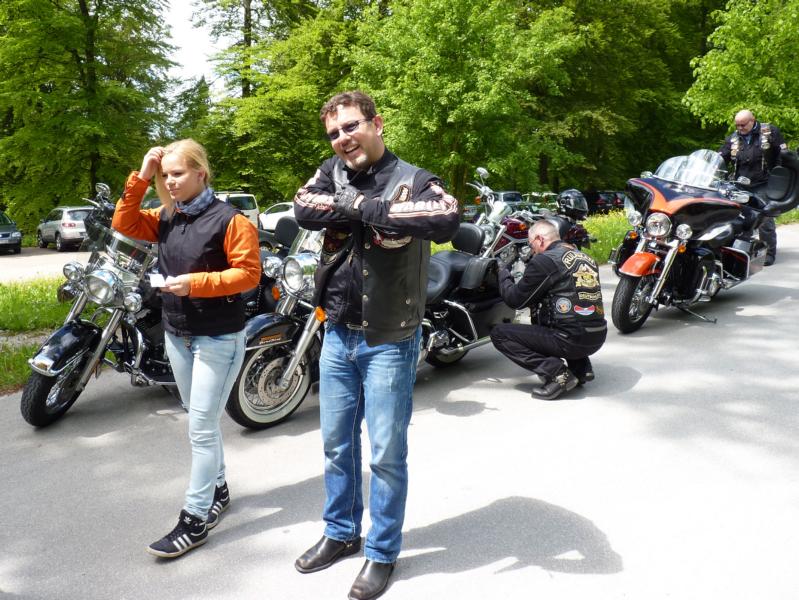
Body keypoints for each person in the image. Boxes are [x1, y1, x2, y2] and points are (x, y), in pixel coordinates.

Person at [292, 91, 459, 600]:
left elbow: (446, 216)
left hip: (390, 338)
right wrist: (358, 208)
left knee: (386, 453)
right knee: (336, 445)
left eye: (351, 126)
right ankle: (341, 532)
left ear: (376, 123)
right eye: (334, 133)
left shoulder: (415, 178)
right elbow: (303, 206)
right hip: (337, 332)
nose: (343, 139)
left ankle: (382, 552)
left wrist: (364, 208)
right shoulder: (331, 172)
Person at [112, 139, 261, 558]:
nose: (170, 182)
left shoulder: (230, 220)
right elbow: (123, 222)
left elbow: (249, 274)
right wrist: (143, 174)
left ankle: (194, 520)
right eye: (165, 176)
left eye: (177, 174)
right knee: (201, 420)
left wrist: (194, 284)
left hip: (219, 338)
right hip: (178, 334)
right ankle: (219, 489)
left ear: (201, 173)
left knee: (200, 427)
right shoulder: (167, 216)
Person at [490, 219, 606, 401]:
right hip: (597, 336)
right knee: (554, 311)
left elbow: (515, 300)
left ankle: (558, 374)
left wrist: (503, 272)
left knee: (499, 334)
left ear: (540, 239)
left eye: (532, 245)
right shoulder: (585, 258)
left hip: (570, 339)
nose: (533, 251)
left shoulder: (545, 261)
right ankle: (581, 368)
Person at [718, 109, 788, 265]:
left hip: (763, 182)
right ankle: (741, 253)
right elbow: (722, 157)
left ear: (752, 120)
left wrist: (780, 176)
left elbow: (782, 155)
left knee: (765, 220)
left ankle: (769, 254)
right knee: (740, 219)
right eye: (737, 125)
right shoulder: (734, 138)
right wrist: (713, 164)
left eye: (743, 125)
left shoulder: (769, 132)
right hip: (741, 183)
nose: (740, 128)